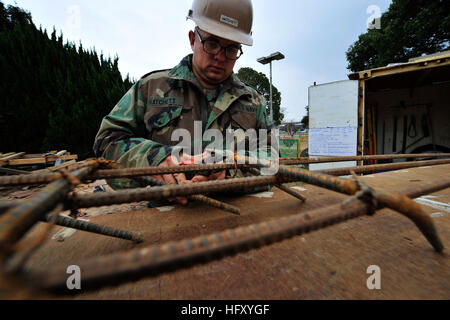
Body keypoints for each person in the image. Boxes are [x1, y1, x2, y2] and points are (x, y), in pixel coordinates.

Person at [93, 0, 273, 204]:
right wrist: (154, 158)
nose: (220, 57)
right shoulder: (151, 88)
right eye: (212, 43)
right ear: (192, 39)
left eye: (231, 49)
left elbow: (272, 157)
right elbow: (107, 141)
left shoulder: (253, 102)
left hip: (238, 219)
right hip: (162, 221)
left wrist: (230, 170)